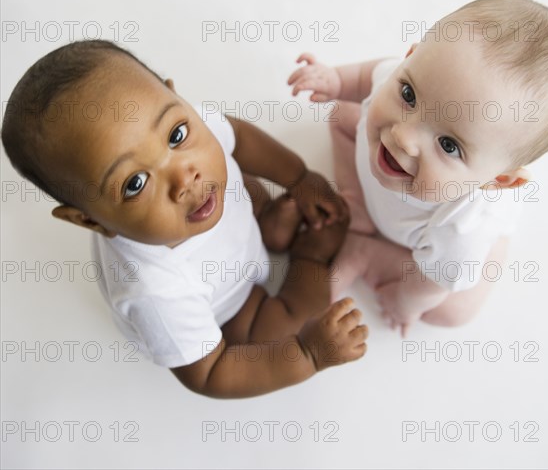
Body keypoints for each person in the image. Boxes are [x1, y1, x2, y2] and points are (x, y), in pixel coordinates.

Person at [2, 40, 368, 398]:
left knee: (228, 166)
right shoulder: (155, 293)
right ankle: (312, 257)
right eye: (135, 183)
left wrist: (299, 178)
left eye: (176, 135)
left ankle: (269, 220)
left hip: (234, 214)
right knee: (269, 335)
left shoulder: (186, 131)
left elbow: (237, 138)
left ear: (173, 95)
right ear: (90, 220)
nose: (184, 177)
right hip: (228, 303)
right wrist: (306, 355)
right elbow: (210, 373)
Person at [288, 0, 548, 336]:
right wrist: (338, 82)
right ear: (411, 58)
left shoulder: (461, 231)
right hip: (386, 196)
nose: (403, 137)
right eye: (408, 96)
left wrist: (406, 301)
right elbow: (370, 75)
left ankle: (368, 255)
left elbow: (431, 283)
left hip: (431, 249)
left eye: (449, 145)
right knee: (342, 113)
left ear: (500, 179)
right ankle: (356, 199)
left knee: (455, 308)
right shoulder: (410, 80)